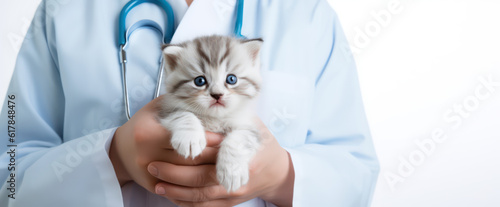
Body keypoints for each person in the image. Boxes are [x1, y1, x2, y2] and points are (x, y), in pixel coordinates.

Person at [0, 0, 379, 206]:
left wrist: (283, 177)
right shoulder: (62, 10)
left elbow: (357, 173)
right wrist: (112, 157)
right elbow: (8, 178)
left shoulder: (308, 15)